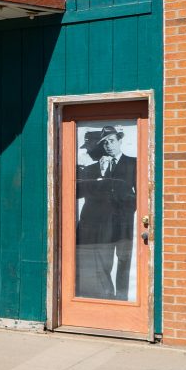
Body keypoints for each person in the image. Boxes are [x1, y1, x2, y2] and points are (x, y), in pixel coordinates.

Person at [76, 125, 137, 300]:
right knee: (104, 263)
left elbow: (140, 195)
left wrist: (127, 211)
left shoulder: (133, 163)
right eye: (104, 143)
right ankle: (108, 296)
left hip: (124, 224)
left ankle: (122, 297)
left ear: (119, 141)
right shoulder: (93, 167)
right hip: (103, 226)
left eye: (111, 141)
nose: (108, 145)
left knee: (124, 262)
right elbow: (81, 192)